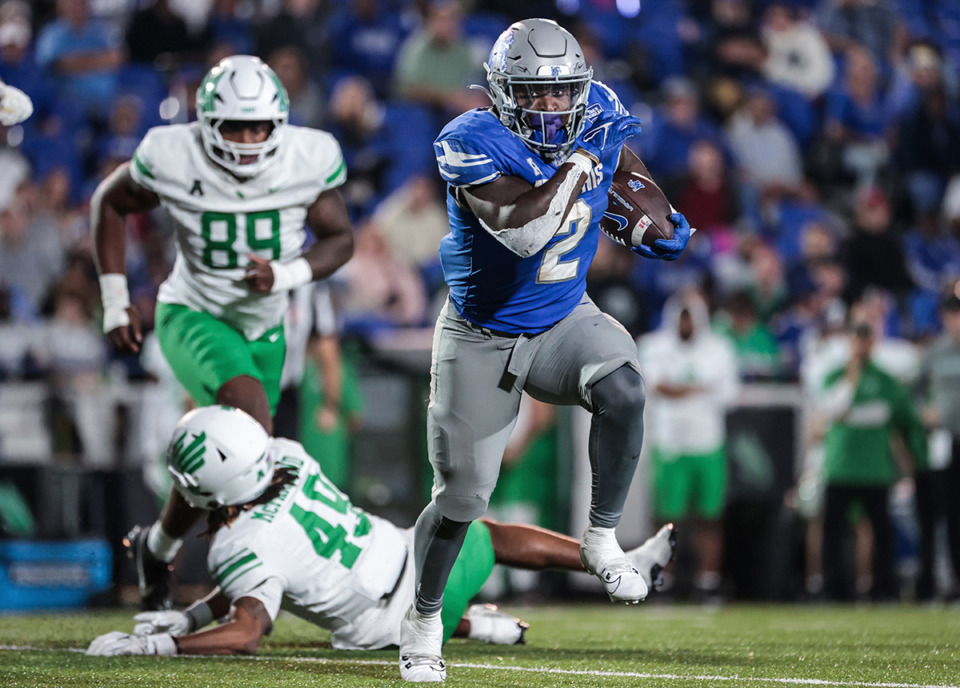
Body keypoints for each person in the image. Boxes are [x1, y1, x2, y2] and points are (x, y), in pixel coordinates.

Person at [403, 18, 692, 683]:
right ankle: (422, 616)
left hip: (564, 319)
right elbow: (528, 232)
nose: (554, 107)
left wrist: (647, 214)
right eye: (537, 93)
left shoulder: (600, 117)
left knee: (623, 388)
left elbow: (628, 173)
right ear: (503, 93)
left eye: (565, 93)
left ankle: (599, 539)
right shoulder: (470, 139)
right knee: (462, 499)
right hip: (482, 335)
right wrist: (584, 161)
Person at [85, 406, 677, 657]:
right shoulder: (287, 456)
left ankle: (605, 568)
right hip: (396, 577)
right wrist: (188, 618)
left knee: (478, 534)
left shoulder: (240, 544)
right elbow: (260, 587)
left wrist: (164, 641)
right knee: (480, 533)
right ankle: (506, 613)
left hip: (394, 593)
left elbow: (247, 625)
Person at [91, 55, 355, 611]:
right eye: (235, 125)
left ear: (280, 123)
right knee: (253, 431)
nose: (248, 139)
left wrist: (283, 274)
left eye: (259, 126)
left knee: (238, 454)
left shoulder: (309, 157)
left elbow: (339, 239)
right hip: (194, 313)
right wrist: (116, 303)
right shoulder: (172, 153)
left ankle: (157, 547)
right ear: (206, 122)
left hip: (265, 327)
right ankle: (244, 582)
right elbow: (109, 203)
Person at [638, 289, 739, 601]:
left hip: (708, 444)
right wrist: (700, 387)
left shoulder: (720, 348)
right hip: (670, 445)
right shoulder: (653, 345)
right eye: (681, 317)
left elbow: (730, 395)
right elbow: (655, 386)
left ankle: (708, 582)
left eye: (690, 317)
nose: (686, 324)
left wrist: (679, 388)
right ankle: (661, 581)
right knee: (666, 520)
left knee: (710, 517)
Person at [817, 316, 928, 601]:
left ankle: (883, 589)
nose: (860, 345)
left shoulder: (888, 382)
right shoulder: (835, 377)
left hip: (875, 470)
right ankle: (833, 590)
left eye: (865, 338)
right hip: (840, 467)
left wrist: (914, 459)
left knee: (881, 533)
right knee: (832, 533)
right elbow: (830, 410)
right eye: (856, 338)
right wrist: (851, 378)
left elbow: (906, 422)